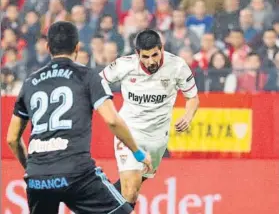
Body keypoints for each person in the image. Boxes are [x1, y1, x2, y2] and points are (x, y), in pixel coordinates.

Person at [7, 21, 152, 214]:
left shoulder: (30, 83)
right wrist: (138, 153)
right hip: (76, 174)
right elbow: (112, 120)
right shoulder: (87, 76)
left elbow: (11, 138)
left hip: (38, 178)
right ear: (77, 47)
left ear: (48, 48)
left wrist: (34, 168)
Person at [100, 29, 199, 209]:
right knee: (130, 190)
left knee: (131, 187)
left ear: (161, 48)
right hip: (129, 132)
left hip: (158, 138)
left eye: (155, 54)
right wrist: (104, 103)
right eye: (145, 56)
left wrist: (188, 115)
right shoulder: (124, 65)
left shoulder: (177, 66)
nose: (151, 61)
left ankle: (98, 206)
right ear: (137, 53)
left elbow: (192, 97)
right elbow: (98, 82)